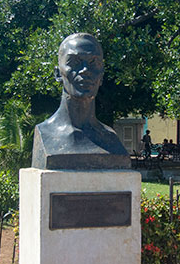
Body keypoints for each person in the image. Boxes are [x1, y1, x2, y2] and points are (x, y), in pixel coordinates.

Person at [31, 33, 129, 169]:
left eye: (93, 63)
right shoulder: (46, 134)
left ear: (101, 75)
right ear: (58, 74)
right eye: (74, 62)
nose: (85, 70)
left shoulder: (111, 139)